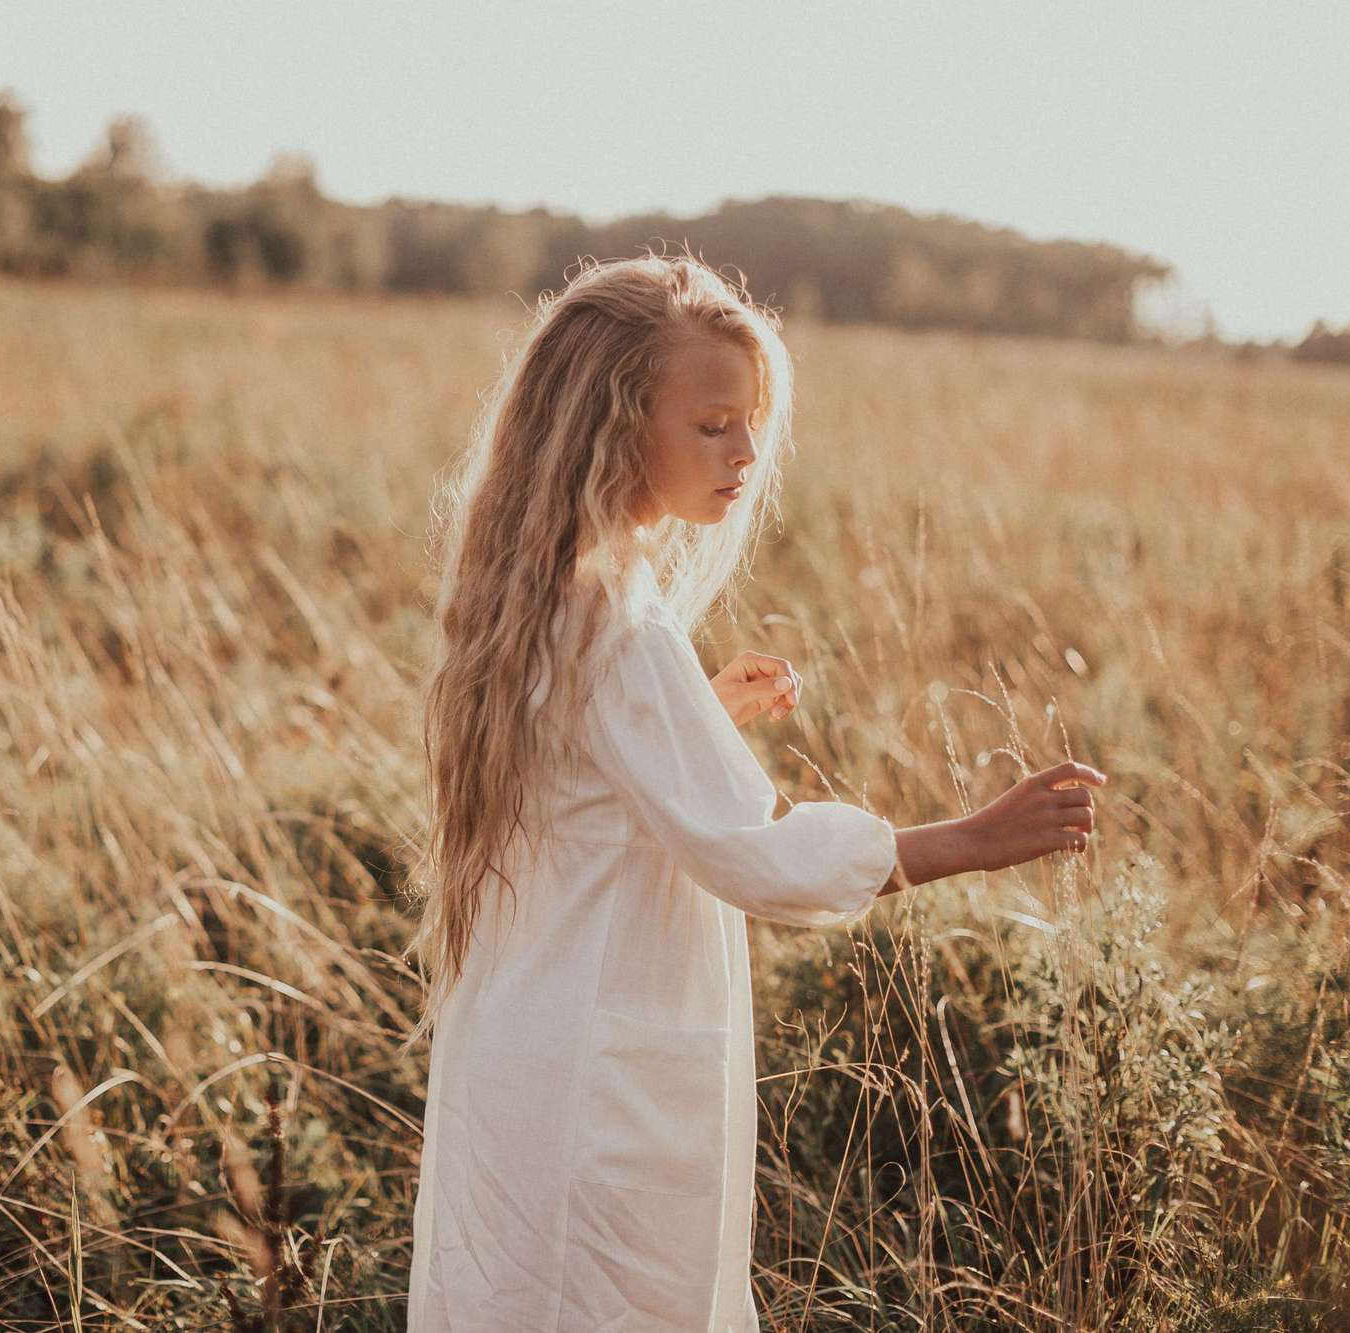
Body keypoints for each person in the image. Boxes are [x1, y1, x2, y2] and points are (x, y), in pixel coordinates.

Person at [402, 251, 1106, 1330]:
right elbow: (757, 860)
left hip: (524, 1045)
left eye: (750, 424)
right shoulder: (621, 629)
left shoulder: (542, 590)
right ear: (611, 424)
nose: (743, 453)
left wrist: (698, 714)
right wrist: (970, 836)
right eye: (711, 424)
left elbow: (579, 776)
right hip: (600, 1076)